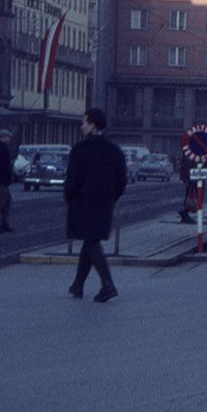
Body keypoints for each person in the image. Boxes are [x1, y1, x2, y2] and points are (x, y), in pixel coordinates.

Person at [64, 107, 128, 302]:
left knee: (91, 241)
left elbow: (72, 180)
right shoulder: (114, 150)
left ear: (92, 125)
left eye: (84, 122)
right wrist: (110, 197)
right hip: (104, 203)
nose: (82, 126)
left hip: (83, 202)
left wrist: (71, 199)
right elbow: (121, 180)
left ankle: (107, 284)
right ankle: (78, 285)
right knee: (90, 240)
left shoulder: (80, 150)